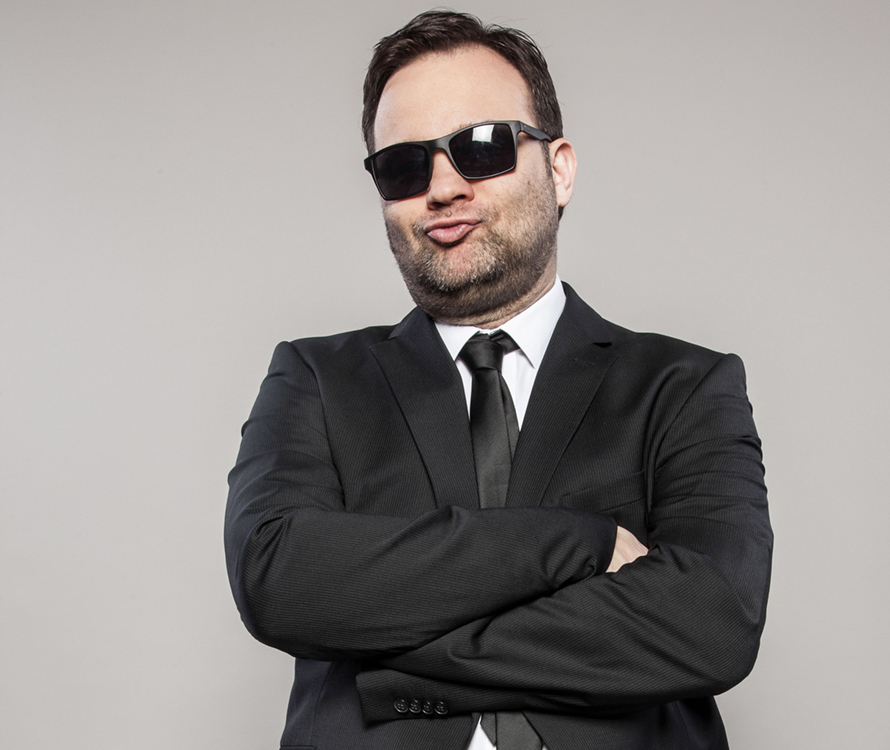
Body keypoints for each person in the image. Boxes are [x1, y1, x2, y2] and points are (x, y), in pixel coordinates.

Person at [224, 10, 772, 750]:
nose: (443, 187)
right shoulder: (317, 380)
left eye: (482, 147)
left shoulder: (684, 386)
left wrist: (390, 661)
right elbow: (279, 580)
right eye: (404, 166)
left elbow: (711, 624)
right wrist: (578, 543)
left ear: (560, 168)